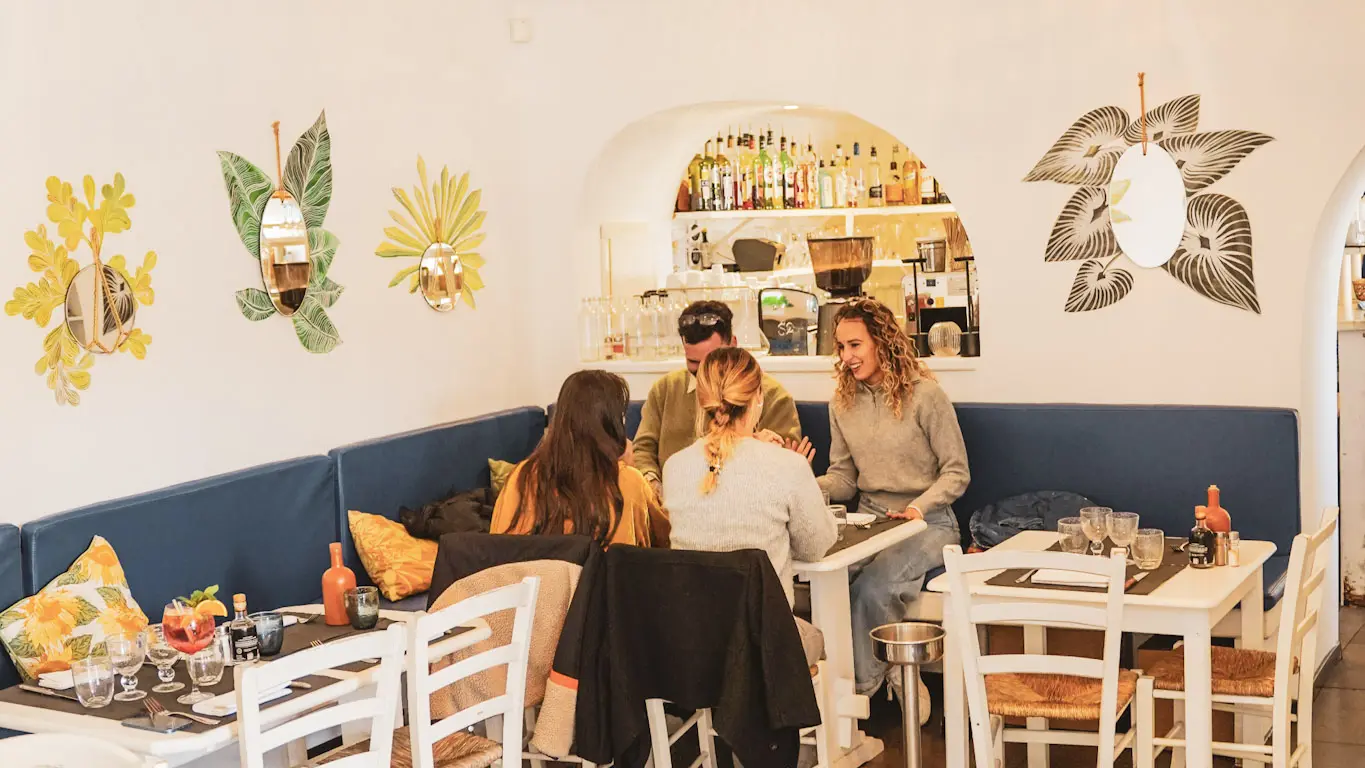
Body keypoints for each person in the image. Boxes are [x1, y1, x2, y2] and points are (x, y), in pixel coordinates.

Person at [816, 298, 970, 708]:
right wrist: (801, 483)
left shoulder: (926, 395)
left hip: (929, 522)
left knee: (873, 587)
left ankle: (855, 701)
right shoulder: (841, 403)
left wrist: (919, 508)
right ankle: (887, 673)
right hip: (870, 519)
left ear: (882, 342)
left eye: (855, 345)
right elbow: (844, 479)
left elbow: (957, 472)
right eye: (842, 348)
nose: (847, 357)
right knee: (831, 581)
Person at [662, 346, 837, 608]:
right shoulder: (788, 465)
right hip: (767, 641)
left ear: (702, 401)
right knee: (815, 639)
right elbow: (815, 547)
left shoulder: (674, 467)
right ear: (758, 397)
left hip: (691, 640)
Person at [633, 300, 801, 497]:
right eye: (694, 363)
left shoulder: (773, 397)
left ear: (733, 345)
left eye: (713, 360)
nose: (706, 374)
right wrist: (654, 486)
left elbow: (785, 469)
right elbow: (642, 450)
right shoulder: (664, 390)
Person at [493, 370, 669, 548]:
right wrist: (629, 469)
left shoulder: (520, 476)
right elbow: (667, 538)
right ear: (614, 425)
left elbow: (497, 550)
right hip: (604, 576)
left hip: (530, 575)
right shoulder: (627, 481)